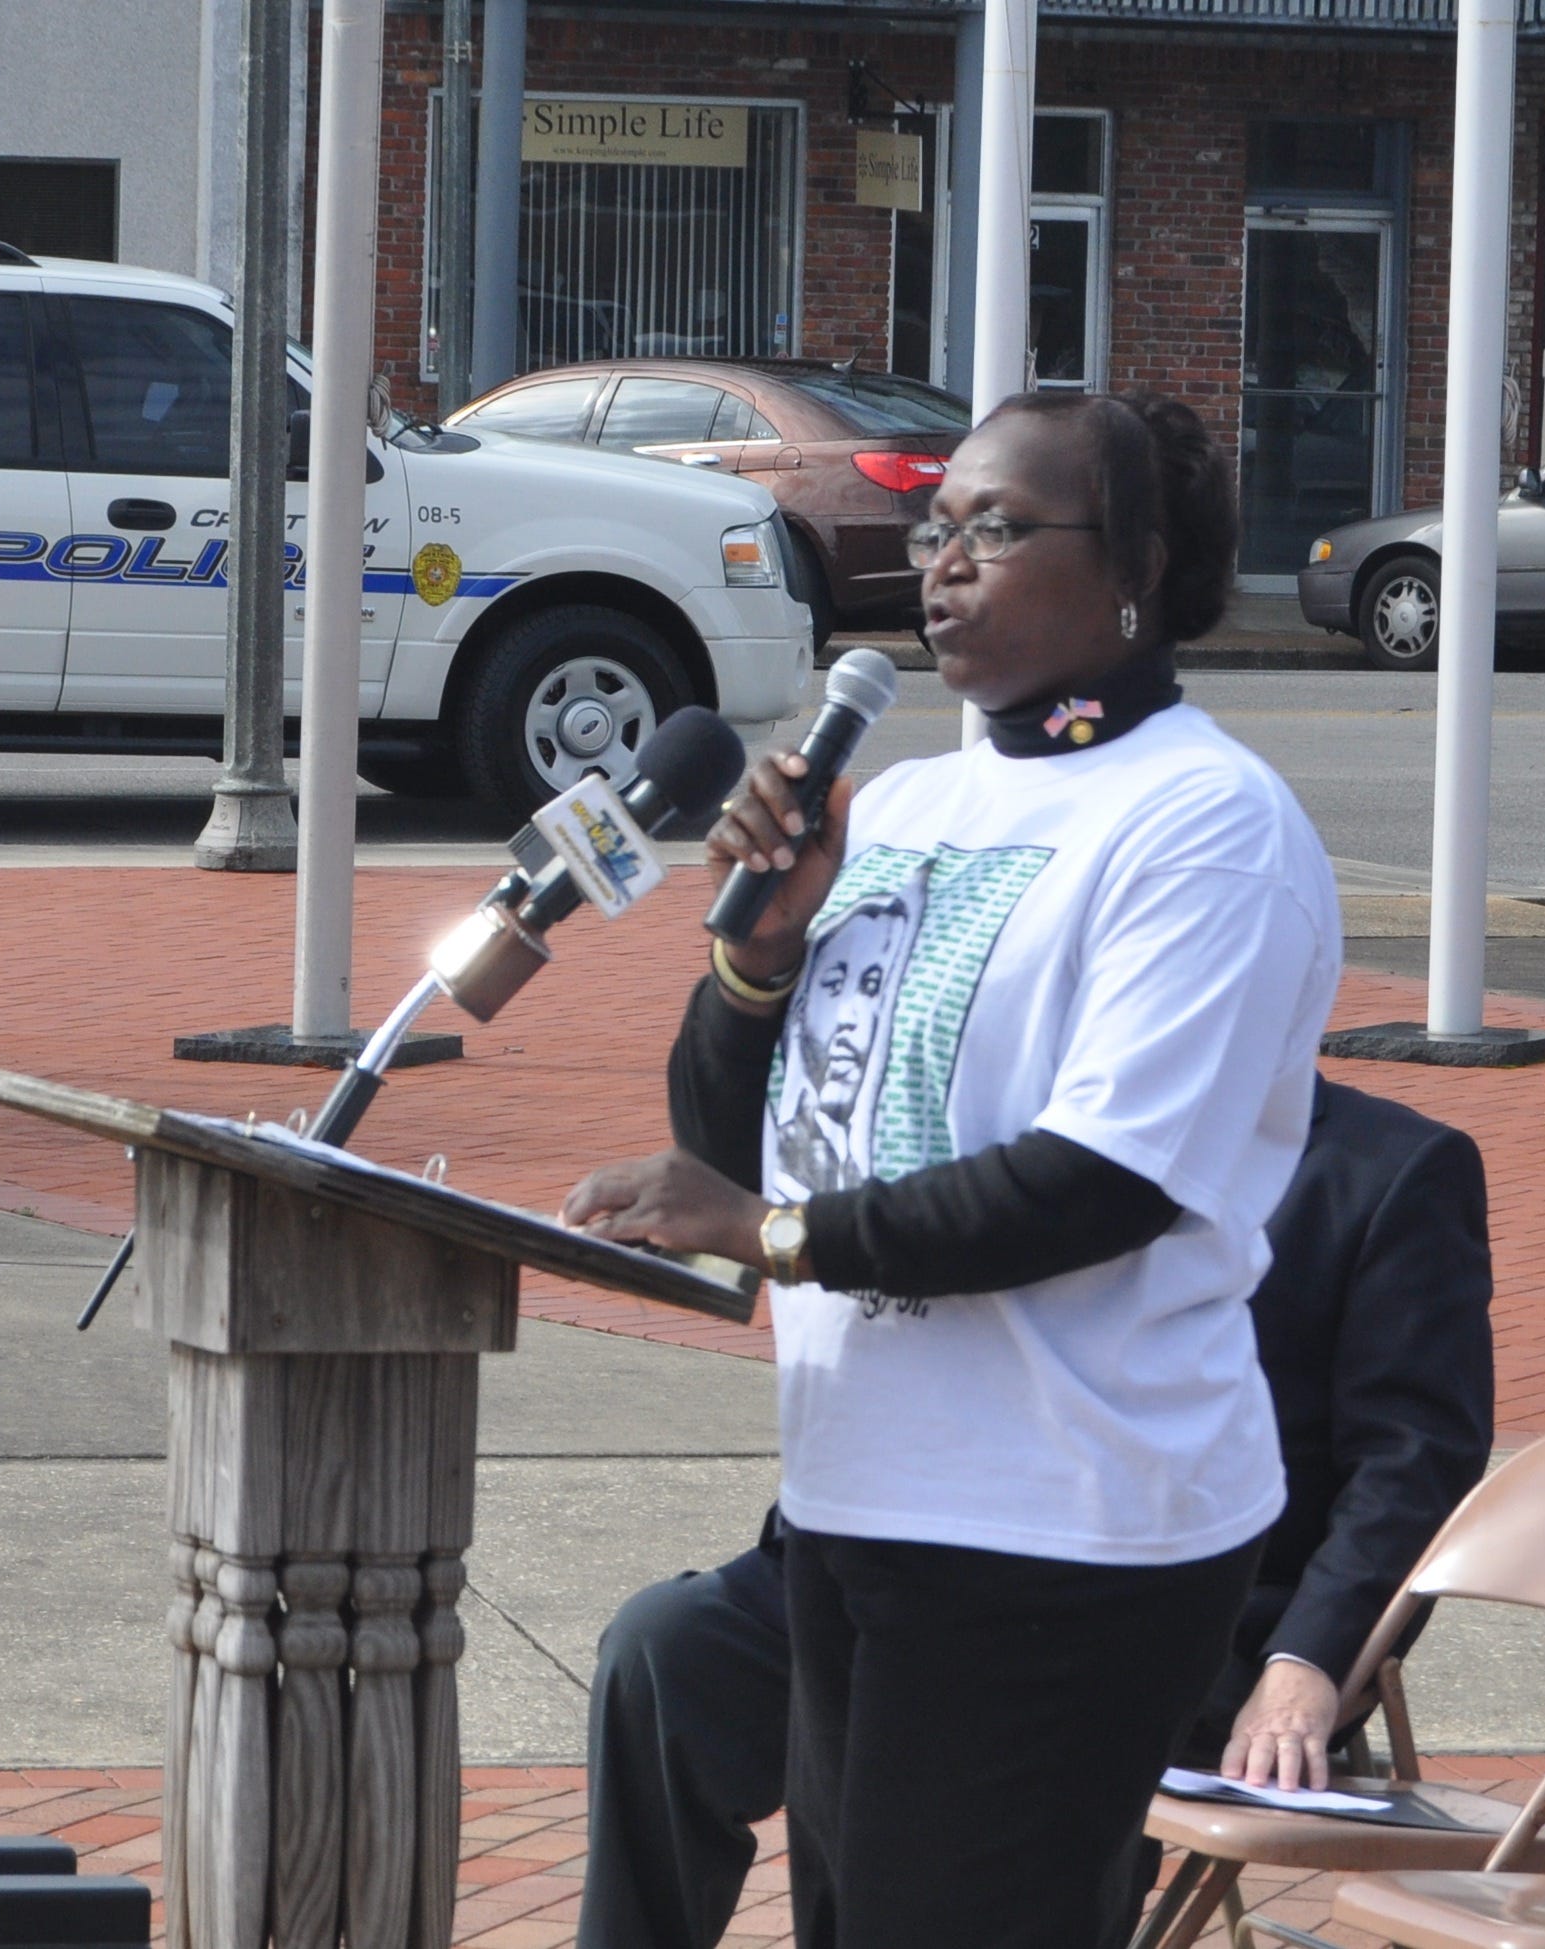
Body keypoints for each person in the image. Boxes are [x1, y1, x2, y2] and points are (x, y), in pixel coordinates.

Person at [562, 388, 1342, 1947]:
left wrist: (772, 1237)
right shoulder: (903, 806)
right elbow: (740, 1135)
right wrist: (757, 963)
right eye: (936, 528)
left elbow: (1096, 1185)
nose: (946, 565)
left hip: (1070, 1524)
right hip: (862, 1495)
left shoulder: (1204, 825)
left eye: (999, 529)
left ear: (1134, 567)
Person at [575, 1075, 1495, 1949]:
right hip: (920, 1553)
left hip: (1175, 1606)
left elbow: (1412, 1463)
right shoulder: (1027, 1122)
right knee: (669, 1647)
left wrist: (1310, 1660)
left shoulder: (1391, 1167)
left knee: (981, 1762)